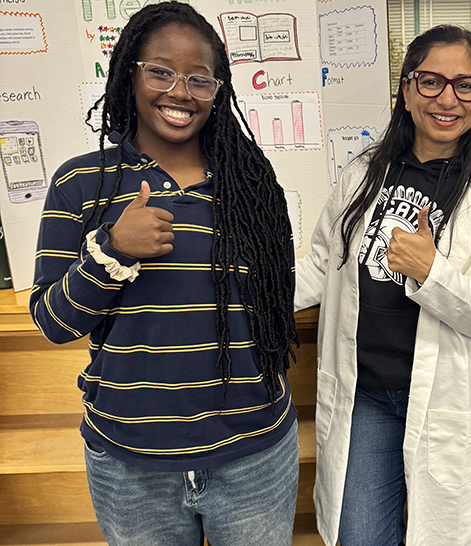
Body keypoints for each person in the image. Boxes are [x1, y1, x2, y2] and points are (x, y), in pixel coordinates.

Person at [29, 2, 300, 544]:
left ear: (218, 91)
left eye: (200, 79)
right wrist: (111, 253)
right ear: (129, 72)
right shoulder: (82, 182)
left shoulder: (251, 184)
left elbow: (274, 306)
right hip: (129, 463)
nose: (180, 92)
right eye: (160, 71)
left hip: (252, 455)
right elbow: (53, 322)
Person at [295, 25, 471, 546]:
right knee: (359, 536)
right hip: (366, 396)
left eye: (465, 85)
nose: (448, 99)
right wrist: (245, 294)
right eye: (430, 82)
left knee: (442, 534)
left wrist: (431, 272)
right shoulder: (361, 175)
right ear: (405, 88)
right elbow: (322, 267)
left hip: (448, 402)